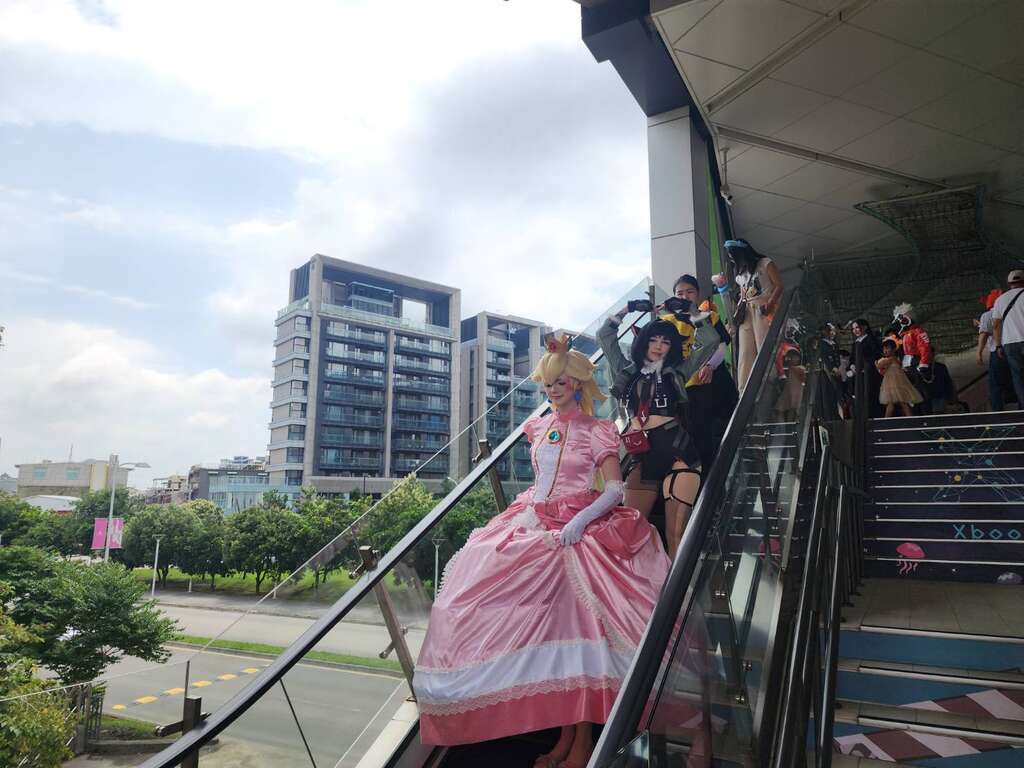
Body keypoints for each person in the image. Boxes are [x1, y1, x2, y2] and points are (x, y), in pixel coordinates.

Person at [413, 336, 670, 764]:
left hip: (578, 528)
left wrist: (579, 521)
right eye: (548, 384)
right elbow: (542, 481)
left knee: (578, 632)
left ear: (577, 384)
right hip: (537, 519)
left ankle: (582, 742)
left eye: (561, 383)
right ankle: (565, 739)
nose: (553, 390)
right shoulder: (537, 426)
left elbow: (614, 489)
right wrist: (534, 511)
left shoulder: (597, 430)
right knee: (524, 619)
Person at [597, 304, 720, 558]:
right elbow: (604, 336)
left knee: (676, 534)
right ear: (643, 341)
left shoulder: (679, 371)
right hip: (642, 456)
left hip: (679, 453)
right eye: (653, 339)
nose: (658, 346)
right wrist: (627, 309)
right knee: (628, 533)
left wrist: (691, 311)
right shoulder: (625, 370)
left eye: (665, 342)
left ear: (672, 347)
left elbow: (711, 340)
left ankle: (678, 584)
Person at [670, 274, 737, 472]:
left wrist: (710, 366)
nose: (684, 297)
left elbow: (721, 345)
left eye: (689, 292)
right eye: (679, 293)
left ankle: (731, 467)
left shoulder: (709, 316)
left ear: (698, 294)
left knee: (727, 425)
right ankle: (708, 477)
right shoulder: (668, 322)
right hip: (689, 390)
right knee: (700, 437)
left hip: (716, 381)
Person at [714, 239, 783, 391]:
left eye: (732, 255)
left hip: (763, 309)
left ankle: (771, 383)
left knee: (764, 346)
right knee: (745, 352)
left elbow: (779, 285)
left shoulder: (765, 263)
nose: (731, 259)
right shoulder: (740, 275)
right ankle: (743, 389)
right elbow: (742, 297)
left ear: (740, 253)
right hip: (746, 313)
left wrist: (770, 302)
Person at [993, 270, 1024, 409]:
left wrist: (998, 345)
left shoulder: (1000, 300)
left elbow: (996, 325)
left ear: (1009, 283)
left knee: (1018, 376)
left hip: (1010, 343)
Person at [977, 289, 1009, 411]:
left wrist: (979, 353)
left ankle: (998, 412)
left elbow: (984, 335)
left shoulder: (987, 315)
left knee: (995, 384)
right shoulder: (1010, 311)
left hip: (997, 352)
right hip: (1013, 348)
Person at [877, 338, 923, 417]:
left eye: (887, 348)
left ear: (894, 349)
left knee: (899, 403)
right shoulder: (894, 359)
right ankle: (888, 420)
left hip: (895, 384)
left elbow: (880, 364)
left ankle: (887, 420)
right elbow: (883, 370)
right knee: (896, 403)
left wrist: (876, 363)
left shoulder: (892, 358)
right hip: (891, 384)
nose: (885, 351)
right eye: (884, 349)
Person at [850, 318, 883, 417]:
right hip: (859, 374)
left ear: (864, 327)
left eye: (857, 327)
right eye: (853, 328)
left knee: (871, 394)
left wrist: (866, 366)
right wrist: (852, 365)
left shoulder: (871, 340)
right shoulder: (855, 343)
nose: (855, 330)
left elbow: (876, 354)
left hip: (871, 373)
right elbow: (852, 358)